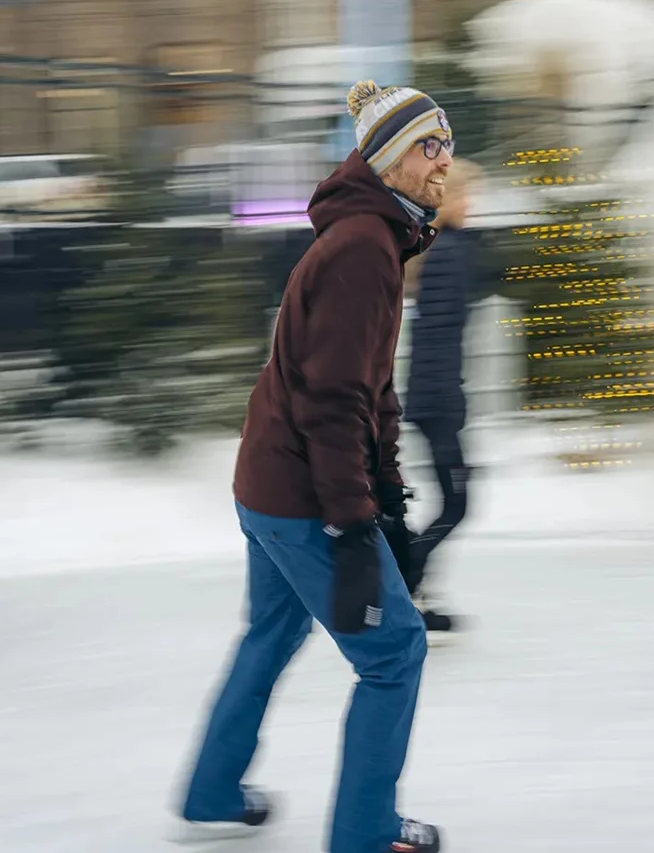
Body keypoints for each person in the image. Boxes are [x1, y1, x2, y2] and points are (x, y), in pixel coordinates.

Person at [173, 79, 453, 853]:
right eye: (430, 147)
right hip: (302, 497)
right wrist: (355, 521)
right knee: (395, 654)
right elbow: (332, 401)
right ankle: (364, 834)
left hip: (266, 486)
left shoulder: (373, 238)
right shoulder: (364, 248)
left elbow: (373, 388)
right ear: (390, 157)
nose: (444, 165)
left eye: (449, 148)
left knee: (269, 634)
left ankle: (211, 792)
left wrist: (389, 492)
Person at [401, 159, 482, 636]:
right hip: (437, 401)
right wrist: (446, 402)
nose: (472, 205)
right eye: (466, 196)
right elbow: (439, 339)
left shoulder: (435, 249)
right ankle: (407, 579)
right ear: (446, 200)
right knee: (457, 503)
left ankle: (413, 586)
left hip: (435, 399)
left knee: (453, 501)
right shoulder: (450, 251)